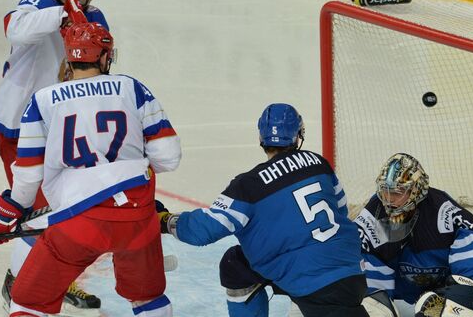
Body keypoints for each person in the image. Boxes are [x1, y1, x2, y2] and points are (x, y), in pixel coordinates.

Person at [0, 22, 181, 317]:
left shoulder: (42, 101)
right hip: (137, 216)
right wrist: (124, 169)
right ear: (104, 56)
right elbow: (168, 156)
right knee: (148, 297)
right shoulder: (132, 87)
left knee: (28, 301)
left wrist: (11, 208)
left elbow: (28, 173)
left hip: (78, 222)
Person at [157, 103, 369, 317]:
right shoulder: (319, 164)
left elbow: (204, 230)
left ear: (261, 138)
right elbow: (340, 209)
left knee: (235, 265)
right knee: (236, 263)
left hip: (312, 284)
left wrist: (165, 221)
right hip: (353, 270)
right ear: (298, 135)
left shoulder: (248, 186)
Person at [0, 0, 110, 310]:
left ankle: (48, 277)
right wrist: (64, 12)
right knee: (40, 210)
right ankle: (18, 285)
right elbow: (15, 27)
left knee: (61, 209)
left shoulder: (93, 15)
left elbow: (101, 57)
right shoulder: (38, 4)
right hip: (20, 123)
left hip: (65, 124)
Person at [354, 153, 473, 317]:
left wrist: (455, 299)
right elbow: (368, 277)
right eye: (385, 192)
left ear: (416, 189)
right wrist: (378, 305)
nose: (389, 200)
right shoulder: (374, 216)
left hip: (443, 292)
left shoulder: (443, 212)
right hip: (399, 297)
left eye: (397, 193)